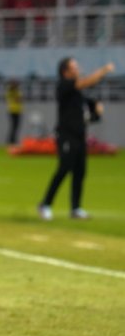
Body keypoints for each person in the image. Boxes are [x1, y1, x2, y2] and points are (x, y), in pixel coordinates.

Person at [38, 58, 115, 221]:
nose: (78, 69)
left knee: (80, 172)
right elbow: (84, 83)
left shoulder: (78, 94)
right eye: (74, 67)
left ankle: (76, 208)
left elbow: (87, 114)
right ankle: (45, 204)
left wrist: (96, 112)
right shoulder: (64, 85)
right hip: (66, 136)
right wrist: (103, 70)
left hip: (80, 137)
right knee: (64, 169)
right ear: (65, 71)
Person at [6, 80, 23, 145]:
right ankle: (11, 141)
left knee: (16, 127)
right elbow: (18, 99)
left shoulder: (16, 91)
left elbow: (19, 99)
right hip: (13, 111)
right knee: (13, 127)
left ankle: (13, 140)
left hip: (17, 110)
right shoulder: (11, 91)